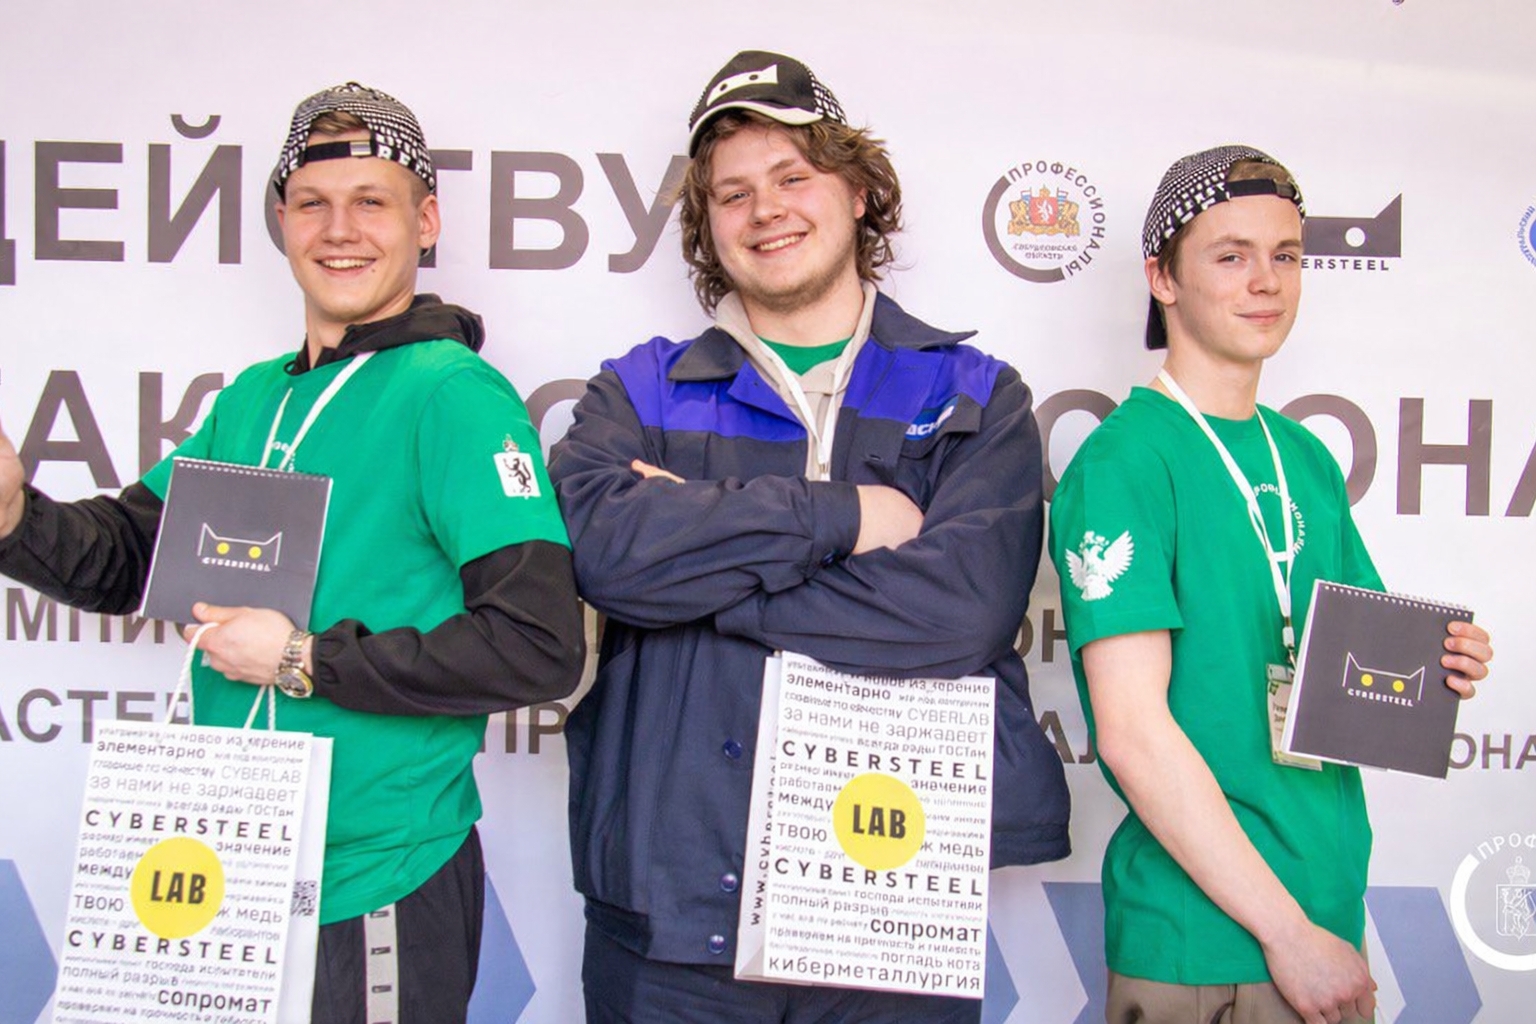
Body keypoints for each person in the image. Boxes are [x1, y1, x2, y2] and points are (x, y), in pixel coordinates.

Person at [0, 82, 584, 1022]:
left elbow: (536, 644)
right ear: (282, 222)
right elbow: (125, 557)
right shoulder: (252, 401)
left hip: (375, 880)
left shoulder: (451, 394)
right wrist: (12, 518)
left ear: (426, 221)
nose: (338, 230)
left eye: (371, 201)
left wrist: (302, 658)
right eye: (312, 203)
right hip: (233, 870)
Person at [548, 50, 1070, 1023]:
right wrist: (846, 517)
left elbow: (961, 613)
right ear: (708, 223)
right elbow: (606, 557)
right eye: (733, 193)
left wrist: (702, 583)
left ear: (860, 192)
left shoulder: (971, 393)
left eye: (793, 177)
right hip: (673, 916)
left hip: (891, 900)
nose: (766, 211)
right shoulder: (642, 388)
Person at [1047, 144, 1494, 1024]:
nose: (1266, 282)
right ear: (1162, 278)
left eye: (1286, 255)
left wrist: (1439, 665)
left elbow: (1355, 684)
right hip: (1204, 945)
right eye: (1231, 255)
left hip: (1325, 921)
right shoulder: (1125, 463)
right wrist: (1287, 935)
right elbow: (1134, 736)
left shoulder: (1307, 459)